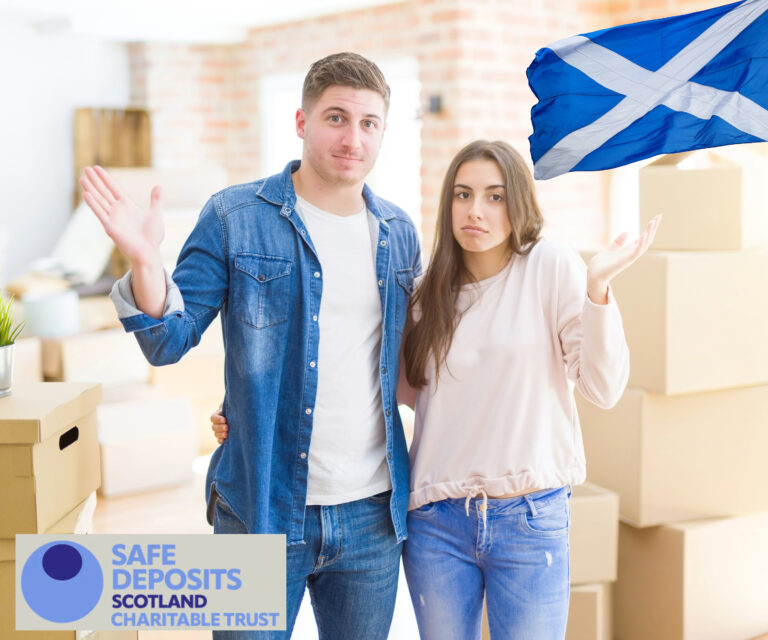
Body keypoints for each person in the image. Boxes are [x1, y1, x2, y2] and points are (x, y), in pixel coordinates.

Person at [214, 139, 660, 639]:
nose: (476, 210)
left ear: (519, 204)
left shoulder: (551, 268)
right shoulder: (424, 297)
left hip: (529, 518)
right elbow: (370, 384)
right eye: (463, 194)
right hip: (436, 523)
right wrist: (253, 404)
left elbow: (603, 387)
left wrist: (597, 288)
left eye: (495, 196)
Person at [80, 52, 422, 640]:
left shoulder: (399, 232)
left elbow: (404, 364)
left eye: (369, 123)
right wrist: (144, 261)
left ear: (384, 132)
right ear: (301, 122)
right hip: (260, 508)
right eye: (336, 117)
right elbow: (168, 341)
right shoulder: (234, 216)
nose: (353, 137)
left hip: (373, 515)